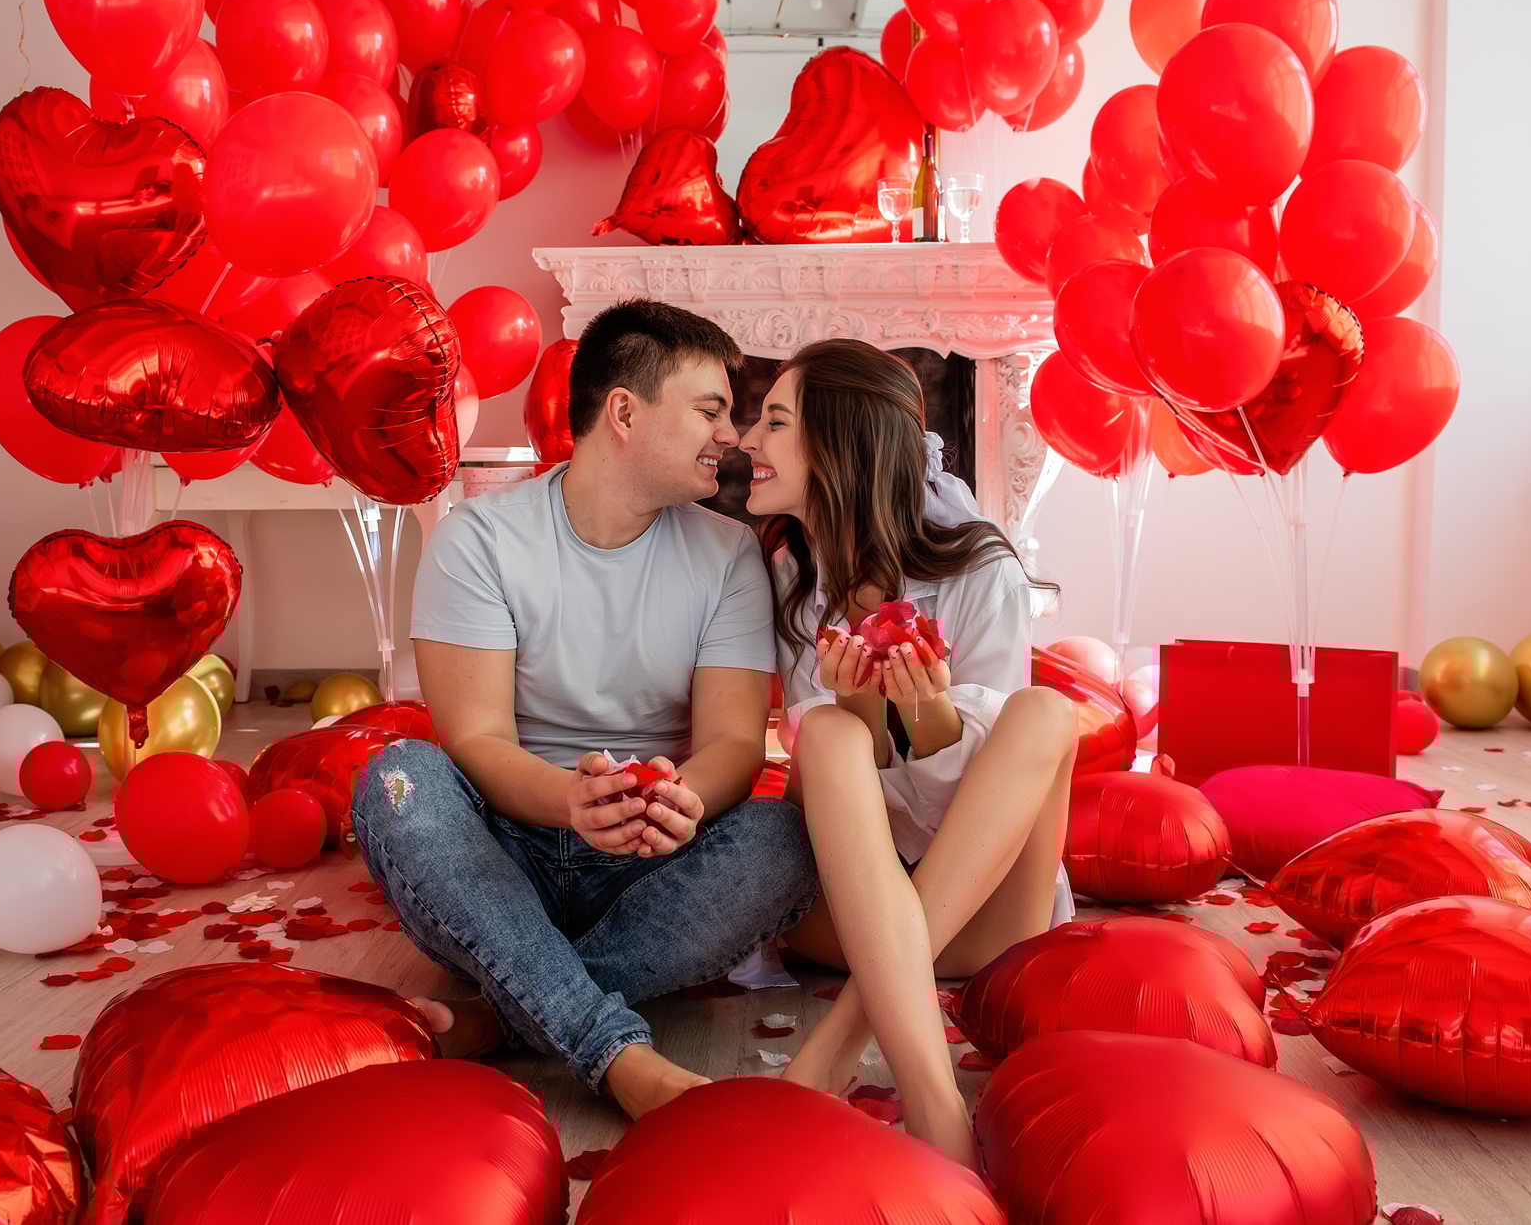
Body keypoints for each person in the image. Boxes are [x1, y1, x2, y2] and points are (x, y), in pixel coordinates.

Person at [352, 298, 818, 1119]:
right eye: (711, 408)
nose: (732, 434)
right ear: (626, 412)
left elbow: (737, 742)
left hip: (653, 863)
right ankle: (613, 1050)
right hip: (505, 851)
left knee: (789, 832)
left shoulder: (730, 553)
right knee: (400, 777)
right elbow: (478, 741)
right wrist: (571, 803)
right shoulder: (481, 540)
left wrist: (682, 799)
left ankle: (509, 1010)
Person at [738, 338, 1076, 1168]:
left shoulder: (981, 565)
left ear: (838, 440)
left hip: (983, 916)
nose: (748, 440)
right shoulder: (786, 575)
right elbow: (835, 780)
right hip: (841, 921)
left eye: (775, 421)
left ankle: (836, 1048)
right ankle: (935, 1103)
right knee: (829, 730)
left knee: (1043, 715)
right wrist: (854, 705)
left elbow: (993, 800)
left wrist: (930, 721)